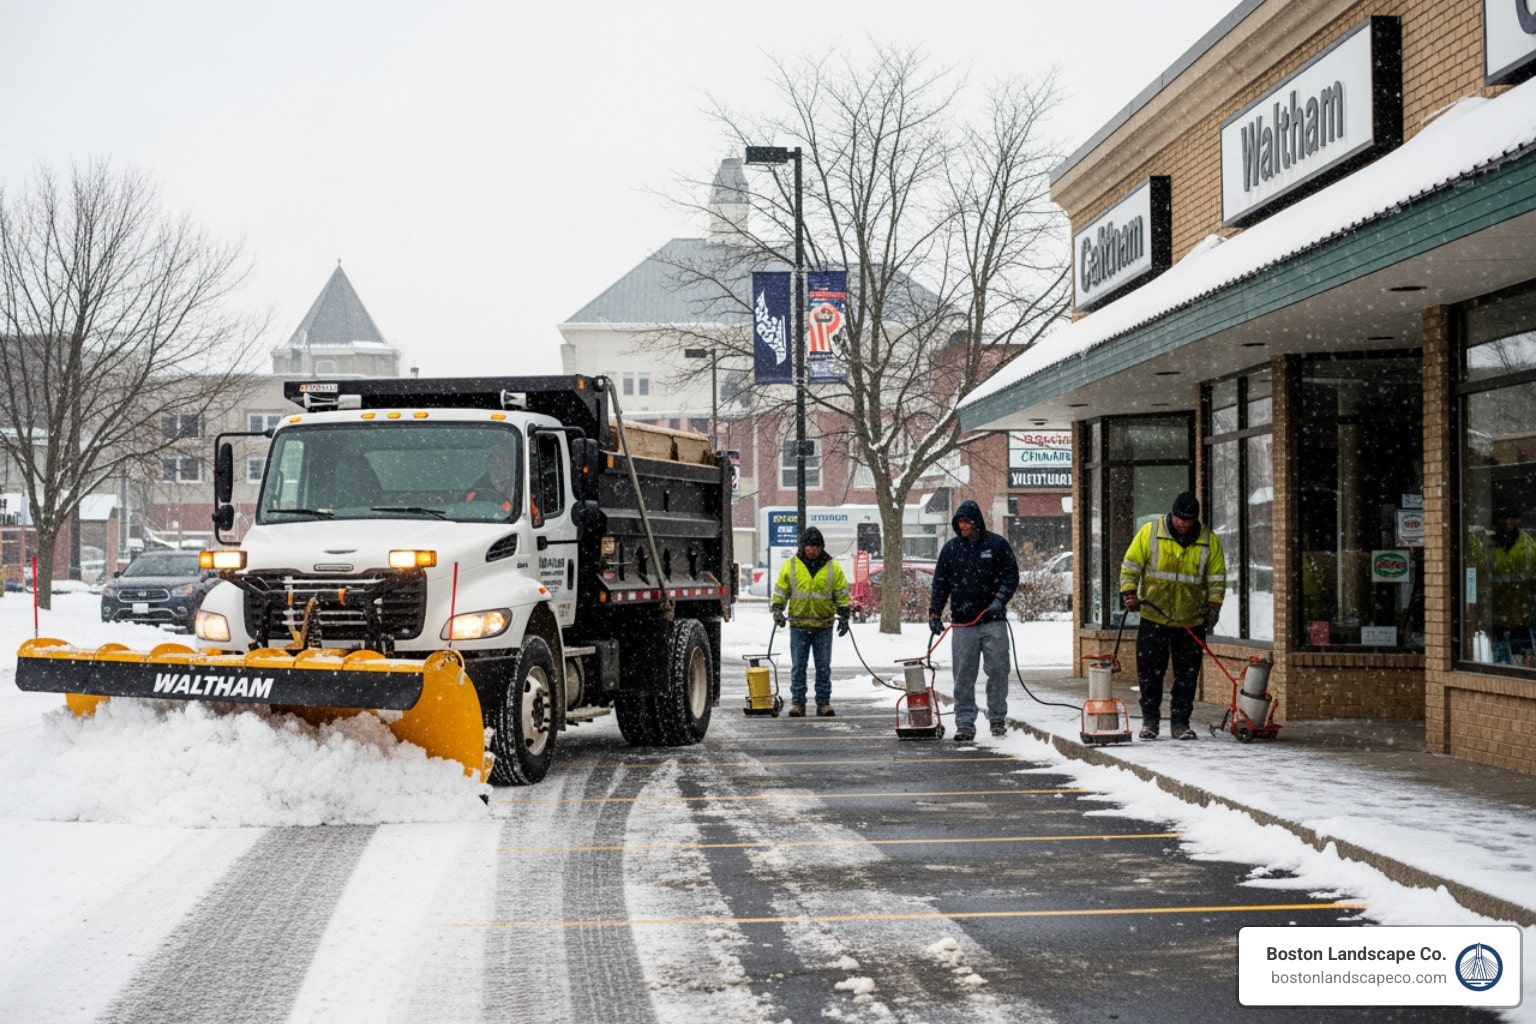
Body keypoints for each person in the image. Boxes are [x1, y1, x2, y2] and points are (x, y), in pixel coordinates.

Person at [1119, 491, 1226, 741]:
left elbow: (1217, 578)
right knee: (1150, 673)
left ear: (1195, 520)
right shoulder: (1150, 533)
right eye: (1179, 518)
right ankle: (1150, 721)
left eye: (1188, 520)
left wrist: (1213, 607)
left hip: (1191, 620)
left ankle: (1180, 722)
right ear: (1172, 514)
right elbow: (1130, 566)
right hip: (1154, 617)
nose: (1183, 524)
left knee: (1187, 676)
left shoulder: (1209, 541)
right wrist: (1129, 592)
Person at [928, 499, 1020, 742]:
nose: (963, 526)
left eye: (966, 521)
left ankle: (997, 717)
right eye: (959, 522)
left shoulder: (997, 545)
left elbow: (1011, 575)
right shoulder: (951, 550)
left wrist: (1000, 599)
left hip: (994, 621)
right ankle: (965, 723)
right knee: (963, 675)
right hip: (963, 623)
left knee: (999, 670)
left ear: (976, 522)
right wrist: (934, 613)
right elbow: (940, 584)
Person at [771, 527, 851, 717]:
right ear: (803, 547)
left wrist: (844, 615)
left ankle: (823, 703)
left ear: (821, 548)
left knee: (823, 667)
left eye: (815, 547)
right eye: (809, 546)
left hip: (823, 626)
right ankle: (798, 703)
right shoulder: (791, 565)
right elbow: (781, 590)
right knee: (799, 666)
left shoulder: (833, 567)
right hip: (799, 625)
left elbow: (841, 592)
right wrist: (777, 609)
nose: (812, 550)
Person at [1483, 506, 1536, 665]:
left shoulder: (1529, 544)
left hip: (1521, 613)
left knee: (1521, 658)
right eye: (1504, 517)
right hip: (1495, 614)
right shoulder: (1487, 546)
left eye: (1513, 517)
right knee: (1499, 659)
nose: (1509, 522)